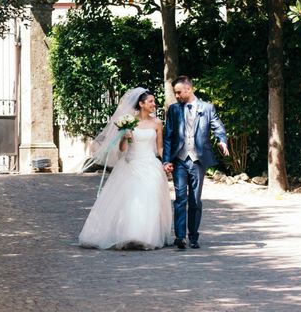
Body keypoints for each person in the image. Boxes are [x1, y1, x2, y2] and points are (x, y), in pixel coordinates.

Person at [79, 88, 173, 250]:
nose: (154, 104)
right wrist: (125, 136)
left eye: (153, 101)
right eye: (150, 101)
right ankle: (129, 234)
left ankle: (145, 236)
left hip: (150, 164)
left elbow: (159, 148)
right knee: (132, 200)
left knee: (149, 199)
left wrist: (166, 162)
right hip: (131, 164)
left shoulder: (157, 123)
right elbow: (122, 149)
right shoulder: (129, 121)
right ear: (141, 104)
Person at [162, 76, 229, 250]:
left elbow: (218, 126)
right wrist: (167, 160)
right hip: (179, 160)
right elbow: (168, 136)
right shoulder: (174, 110)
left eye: (179, 92)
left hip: (198, 161)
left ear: (188, 89)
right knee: (180, 199)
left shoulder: (207, 108)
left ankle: (193, 236)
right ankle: (180, 237)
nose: (176, 96)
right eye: (175, 92)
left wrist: (222, 140)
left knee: (195, 200)